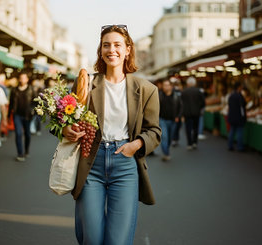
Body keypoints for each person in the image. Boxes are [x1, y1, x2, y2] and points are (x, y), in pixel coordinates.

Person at [62, 24, 161, 245]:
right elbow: (61, 118)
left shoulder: (146, 89)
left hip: (125, 165)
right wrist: (65, 129)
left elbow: (154, 131)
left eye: (117, 45)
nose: (111, 50)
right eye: (106, 45)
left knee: (117, 241)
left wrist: (135, 145)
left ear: (128, 50)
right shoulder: (85, 83)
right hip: (91, 164)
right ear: (100, 50)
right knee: (92, 239)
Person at [8, 72, 36, 161]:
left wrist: (33, 111)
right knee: (18, 134)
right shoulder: (14, 90)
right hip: (17, 115)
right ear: (19, 79)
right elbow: (11, 103)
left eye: (24, 78)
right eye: (21, 78)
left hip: (27, 115)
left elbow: (35, 102)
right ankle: (20, 153)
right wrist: (8, 115)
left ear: (27, 79)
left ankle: (26, 150)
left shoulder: (31, 89)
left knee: (27, 134)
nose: (22, 80)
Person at [159, 79, 182, 161]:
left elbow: (180, 107)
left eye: (167, 85)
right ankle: (166, 154)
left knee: (170, 138)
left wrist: (178, 117)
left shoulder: (176, 96)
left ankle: (166, 150)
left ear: (171, 86)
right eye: (164, 85)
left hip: (173, 120)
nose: (166, 87)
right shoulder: (159, 95)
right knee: (164, 137)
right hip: (162, 120)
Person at [181, 76, 205, 150]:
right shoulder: (198, 91)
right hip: (196, 113)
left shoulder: (184, 92)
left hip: (187, 113)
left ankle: (189, 143)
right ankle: (195, 142)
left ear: (188, 83)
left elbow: (181, 103)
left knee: (188, 129)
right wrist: (199, 108)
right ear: (194, 83)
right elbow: (203, 102)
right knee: (195, 128)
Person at [227, 82, 247, 151]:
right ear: (239, 87)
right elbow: (243, 106)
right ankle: (240, 147)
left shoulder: (231, 96)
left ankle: (230, 145)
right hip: (239, 117)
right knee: (239, 132)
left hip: (232, 116)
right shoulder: (240, 96)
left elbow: (229, 105)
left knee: (232, 131)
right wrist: (243, 117)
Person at [171, 81, 183, 147]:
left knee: (177, 127)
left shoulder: (178, 92)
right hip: (176, 113)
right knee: (176, 127)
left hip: (176, 113)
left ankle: (175, 139)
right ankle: (175, 139)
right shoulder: (179, 92)